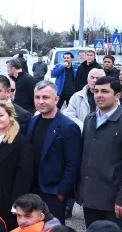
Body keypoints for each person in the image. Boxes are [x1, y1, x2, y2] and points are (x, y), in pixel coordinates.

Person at [77, 76, 122, 232]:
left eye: (105, 91)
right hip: (91, 198)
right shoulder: (90, 119)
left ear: (117, 96)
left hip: (114, 202)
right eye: (96, 91)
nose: (99, 95)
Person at [27, 81, 82, 223]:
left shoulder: (68, 127)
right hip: (31, 188)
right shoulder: (32, 121)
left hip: (53, 191)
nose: (41, 101)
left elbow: (73, 162)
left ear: (56, 99)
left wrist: (62, 192)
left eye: (45, 97)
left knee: (53, 231)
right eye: (37, 97)